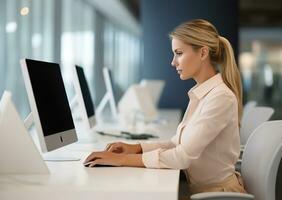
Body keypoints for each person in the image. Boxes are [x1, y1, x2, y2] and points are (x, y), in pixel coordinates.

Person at [84, 19, 247, 195]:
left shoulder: (220, 98)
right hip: (203, 191)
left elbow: (182, 157)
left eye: (179, 53)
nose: (173, 62)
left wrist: (123, 159)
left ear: (203, 53)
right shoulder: (202, 94)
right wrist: (135, 148)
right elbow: (175, 143)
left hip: (218, 195)